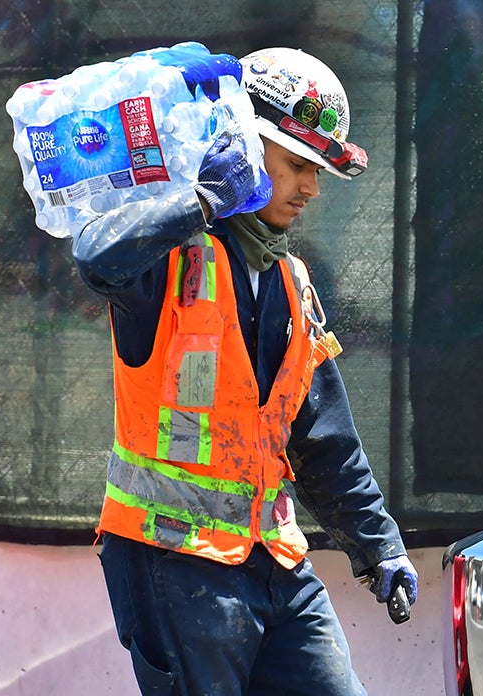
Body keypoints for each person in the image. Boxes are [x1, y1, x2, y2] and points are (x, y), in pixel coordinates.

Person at [73, 46, 418, 696]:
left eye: (318, 171)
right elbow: (95, 255)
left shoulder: (291, 281)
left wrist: (379, 546)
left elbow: (322, 438)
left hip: (275, 564)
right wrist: (199, 201)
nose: (312, 189)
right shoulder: (169, 259)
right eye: (296, 165)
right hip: (173, 560)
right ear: (242, 143)